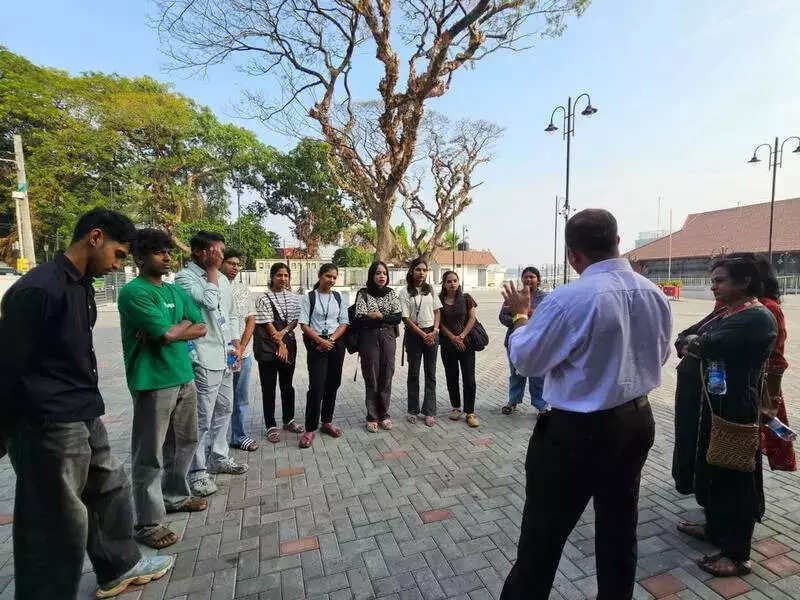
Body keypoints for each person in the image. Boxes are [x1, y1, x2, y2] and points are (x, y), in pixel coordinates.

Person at [0, 208, 174, 599]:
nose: (118, 265)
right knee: (55, 517)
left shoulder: (80, 286)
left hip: (83, 409)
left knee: (109, 487)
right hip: (47, 420)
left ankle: (118, 565)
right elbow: (7, 364)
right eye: (118, 255)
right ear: (95, 238)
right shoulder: (38, 289)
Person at [500, 209, 672, 600]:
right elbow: (659, 356)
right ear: (617, 242)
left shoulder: (569, 298)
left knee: (543, 536)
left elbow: (527, 361)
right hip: (636, 421)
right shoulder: (653, 293)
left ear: (573, 255)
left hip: (577, 433)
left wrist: (521, 317)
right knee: (619, 527)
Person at [673, 256, 777, 576]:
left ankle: (737, 554)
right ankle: (715, 528)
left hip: (735, 413)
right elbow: (687, 336)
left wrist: (694, 343)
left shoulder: (757, 317)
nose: (713, 287)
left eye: (720, 281)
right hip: (712, 410)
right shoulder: (727, 312)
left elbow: (705, 345)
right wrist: (692, 342)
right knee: (712, 472)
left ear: (744, 281)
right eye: (713, 281)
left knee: (736, 479)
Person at [118, 229, 209, 550]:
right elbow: (169, 335)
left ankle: (175, 496)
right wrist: (174, 330)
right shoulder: (133, 293)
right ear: (140, 257)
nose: (167, 257)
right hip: (152, 381)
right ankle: (148, 522)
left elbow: (200, 326)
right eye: (159, 252)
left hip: (183, 376)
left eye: (168, 251)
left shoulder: (174, 290)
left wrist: (173, 330)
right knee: (149, 453)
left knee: (185, 441)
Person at [175, 231, 247, 498]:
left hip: (226, 354)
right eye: (216, 251)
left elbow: (231, 313)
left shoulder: (222, 280)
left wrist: (236, 343)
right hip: (203, 356)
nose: (220, 255)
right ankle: (197, 471)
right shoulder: (185, 278)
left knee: (225, 408)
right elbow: (209, 301)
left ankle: (219, 456)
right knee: (202, 416)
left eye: (221, 251)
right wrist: (213, 271)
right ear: (199, 252)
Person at [298, 263, 349, 448]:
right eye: (328, 276)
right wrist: (321, 341)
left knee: (333, 384)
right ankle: (310, 428)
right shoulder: (309, 297)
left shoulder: (339, 297)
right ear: (320, 276)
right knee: (316, 387)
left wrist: (331, 339)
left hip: (335, 345)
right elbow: (304, 324)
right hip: (317, 346)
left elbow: (344, 322)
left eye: (334, 277)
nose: (331, 280)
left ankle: (326, 421)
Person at [254, 262, 304, 443]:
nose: (283, 278)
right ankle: (270, 425)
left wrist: (283, 334)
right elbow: (267, 323)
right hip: (269, 348)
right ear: (272, 277)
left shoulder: (293, 298)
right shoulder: (263, 298)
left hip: (288, 344)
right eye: (279, 275)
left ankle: (288, 420)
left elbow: (294, 320)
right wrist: (280, 343)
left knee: (287, 385)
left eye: (286, 275)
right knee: (268, 387)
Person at [754, 256, 796, 471]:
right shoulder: (741, 304)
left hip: (762, 383)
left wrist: (770, 398)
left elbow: (776, 356)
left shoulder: (768, 308)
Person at [353, 261, 403, 432]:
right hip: (369, 338)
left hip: (388, 337)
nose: (382, 276)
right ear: (371, 275)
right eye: (378, 273)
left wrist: (378, 315)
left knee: (387, 374)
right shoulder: (363, 293)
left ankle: (384, 414)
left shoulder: (391, 293)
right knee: (372, 375)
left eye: (384, 273)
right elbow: (360, 318)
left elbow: (397, 318)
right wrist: (381, 318)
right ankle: (372, 415)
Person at [221, 248, 259, 452]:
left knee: (240, 396)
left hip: (243, 354)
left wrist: (242, 347)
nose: (235, 267)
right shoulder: (212, 287)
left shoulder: (243, 289)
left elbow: (250, 319)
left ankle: (238, 435)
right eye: (231, 263)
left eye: (238, 264)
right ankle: (213, 442)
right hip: (219, 354)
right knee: (218, 399)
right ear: (220, 263)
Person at [499, 266, 550, 415]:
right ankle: (513, 401)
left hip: (537, 342)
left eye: (532, 277)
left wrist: (527, 314)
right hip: (515, 341)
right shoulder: (515, 296)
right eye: (526, 277)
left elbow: (548, 317)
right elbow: (502, 316)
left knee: (538, 375)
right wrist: (518, 318)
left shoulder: (546, 298)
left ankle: (541, 405)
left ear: (538, 280)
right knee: (516, 373)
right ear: (521, 279)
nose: (528, 279)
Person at [399, 258, 441, 427]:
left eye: (424, 270)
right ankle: (413, 409)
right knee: (414, 373)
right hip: (414, 335)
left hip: (432, 333)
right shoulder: (404, 292)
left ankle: (429, 411)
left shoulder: (430, 289)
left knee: (431, 373)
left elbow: (437, 312)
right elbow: (406, 318)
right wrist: (422, 334)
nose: (421, 273)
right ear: (412, 271)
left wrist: (434, 331)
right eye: (418, 269)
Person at [438, 271, 480, 428]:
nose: (452, 284)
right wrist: (453, 338)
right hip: (448, 345)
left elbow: (472, 318)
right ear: (444, 283)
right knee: (451, 376)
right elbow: (440, 323)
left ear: (458, 282)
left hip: (466, 344)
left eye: (455, 280)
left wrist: (461, 336)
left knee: (469, 378)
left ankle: (470, 412)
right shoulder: (439, 300)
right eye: (449, 281)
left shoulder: (466, 298)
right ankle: (456, 407)